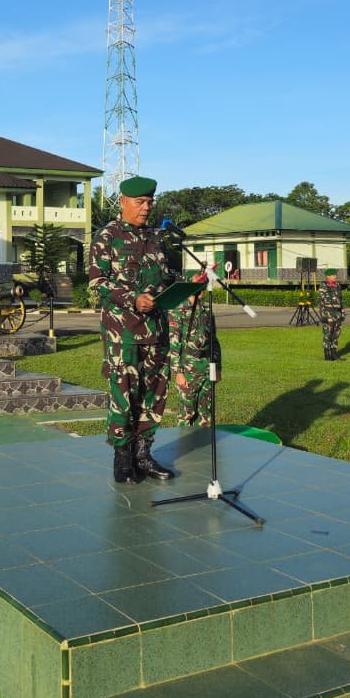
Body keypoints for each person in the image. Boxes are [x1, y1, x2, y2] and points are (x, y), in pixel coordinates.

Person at [88, 175, 174, 483]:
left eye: (150, 201)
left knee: (154, 393)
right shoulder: (107, 236)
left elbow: (163, 278)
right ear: (123, 202)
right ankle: (122, 457)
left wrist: (178, 289)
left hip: (156, 330)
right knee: (124, 393)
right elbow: (97, 282)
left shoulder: (155, 237)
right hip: (123, 332)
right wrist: (133, 299)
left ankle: (143, 454)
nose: (146, 207)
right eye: (140, 202)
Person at [168, 269, 219, 426]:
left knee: (206, 414)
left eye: (203, 285)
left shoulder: (207, 310)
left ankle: (202, 440)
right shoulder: (178, 310)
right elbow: (174, 343)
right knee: (187, 414)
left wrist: (217, 367)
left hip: (206, 367)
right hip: (188, 369)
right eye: (198, 285)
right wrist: (178, 373)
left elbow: (214, 341)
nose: (201, 289)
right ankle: (185, 441)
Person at [318, 268, 345, 360]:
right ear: (328, 276)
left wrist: (342, 313)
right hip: (328, 312)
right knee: (328, 334)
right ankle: (327, 354)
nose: (335, 276)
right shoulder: (323, 286)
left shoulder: (337, 285)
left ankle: (334, 353)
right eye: (333, 275)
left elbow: (341, 300)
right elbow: (321, 301)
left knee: (336, 334)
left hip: (337, 313)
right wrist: (323, 315)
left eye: (335, 275)